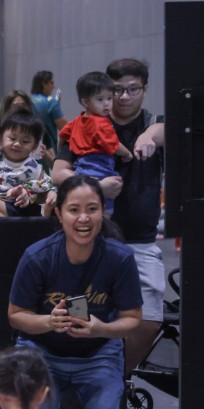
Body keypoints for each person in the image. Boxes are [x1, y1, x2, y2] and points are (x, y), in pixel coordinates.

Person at [7, 175, 142, 409]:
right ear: (60, 214)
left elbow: (132, 318)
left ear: (102, 213)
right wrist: (47, 322)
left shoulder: (119, 258)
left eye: (92, 210)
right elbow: (16, 315)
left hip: (99, 352)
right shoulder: (38, 256)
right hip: (43, 352)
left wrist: (101, 328)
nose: (83, 219)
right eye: (74, 210)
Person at [53, 58, 165, 378]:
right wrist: (96, 188)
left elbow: (169, 128)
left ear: (145, 89)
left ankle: (116, 379)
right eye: (116, 91)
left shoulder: (152, 123)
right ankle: (85, 380)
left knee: (148, 320)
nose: (124, 97)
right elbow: (59, 173)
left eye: (133, 89)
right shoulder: (85, 124)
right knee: (78, 318)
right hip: (89, 243)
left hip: (139, 242)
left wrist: (151, 135)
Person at [57, 71, 133, 213]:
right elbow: (113, 145)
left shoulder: (76, 121)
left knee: (86, 208)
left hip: (81, 168)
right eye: (100, 99)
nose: (107, 104)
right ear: (85, 102)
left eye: (109, 98)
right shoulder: (101, 123)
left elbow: (62, 135)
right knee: (105, 212)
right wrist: (128, 153)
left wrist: (60, 148)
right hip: (100, 169)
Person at [0, 109, 55, 217]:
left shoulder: (34, 166)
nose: (17, 144)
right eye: (12, 138)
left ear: (34, 145)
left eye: (25, 141)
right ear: (1, 138)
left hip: (25, 208)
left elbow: (47, 185)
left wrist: (48, 194)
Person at [30, 70, 67, 155]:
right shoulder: (50, 102)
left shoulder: (28, 100)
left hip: (29, 148)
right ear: (44, 84)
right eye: (51, 83)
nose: (53, 86)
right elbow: (64, 127)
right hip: (48, 149)